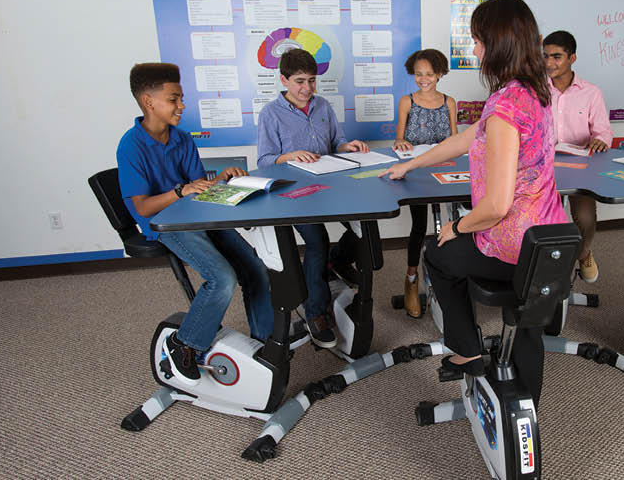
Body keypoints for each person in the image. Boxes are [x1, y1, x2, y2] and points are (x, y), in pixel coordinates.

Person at [380, 0, 567, 405]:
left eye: (478, 41)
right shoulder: (534, 91)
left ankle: (467, 350)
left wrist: (456, 226)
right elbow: (468, 137)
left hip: (515, 245)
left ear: (498, 44)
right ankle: (527, 412)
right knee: (527, 325)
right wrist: (411, 164)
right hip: (550, 240)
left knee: (436, 252)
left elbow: (496, 207)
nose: (475, 51)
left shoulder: (504, 106)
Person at [117, 63, 274, 385]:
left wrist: (222, 178)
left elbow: (198, 187)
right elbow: (143, 207)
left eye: (181, 98)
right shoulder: (131, 146)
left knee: (256, 269)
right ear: (148, 102)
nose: (181, 105)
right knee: (222, 278)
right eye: (173, 99)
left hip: (196, 214)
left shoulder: (181, 138)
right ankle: (184, 344)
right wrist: (179, 192)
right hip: (164, 224)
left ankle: (264, 343)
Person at [256, 48, 370, 349]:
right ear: (283, 79)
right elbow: (264, 160)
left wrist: (348, 146)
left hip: (330, 186)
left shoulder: (323, 106)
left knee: (365, 222)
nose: (307, 88)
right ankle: (315, 312)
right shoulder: (270, 113)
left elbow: (336, 141)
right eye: (299, 81)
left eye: (311, 80)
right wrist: (290, 156)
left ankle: (336, 261)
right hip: (295, 194)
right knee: (317, 241)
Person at [542, 30, 614, 283]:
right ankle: (544, 268)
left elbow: (603, 131)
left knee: (585, 219)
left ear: (572, 58)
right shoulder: (536, 90)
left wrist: (600, 140)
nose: (549, 62)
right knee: (541, 221)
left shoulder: (591, 92)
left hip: (579, 167)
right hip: (544, 166)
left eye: (556, 57)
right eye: (545, 56)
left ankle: (583, 254)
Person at [393, 49, 458, 318]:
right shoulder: (407, 101)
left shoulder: (449, 102)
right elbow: (399, 138)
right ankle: (411, 279)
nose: (423, 79)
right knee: (419, 226)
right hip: (418, 172)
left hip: (444, 171)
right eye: (418, 74)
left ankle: (453, 276)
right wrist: (401, 143)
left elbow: (455, 140)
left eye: (429, 74)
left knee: (456, 223)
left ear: (440, 74)